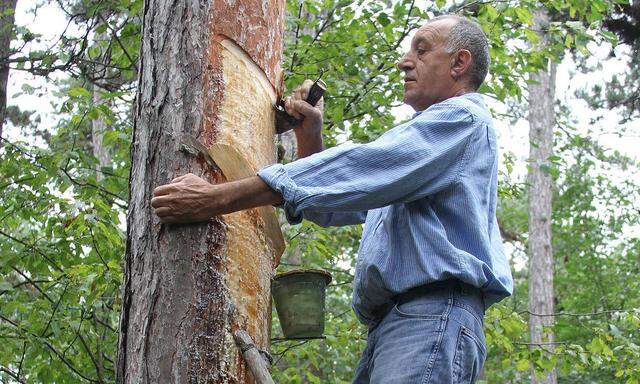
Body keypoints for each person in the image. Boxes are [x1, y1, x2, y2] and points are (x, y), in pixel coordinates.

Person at [151, 14, 513, 384]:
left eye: (421, 50)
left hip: (431, 317)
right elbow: (336, 200)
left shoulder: (462, 120)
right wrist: (310, 136)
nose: (404, 61)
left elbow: (357, 168)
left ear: (459, 62)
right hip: (402, 325)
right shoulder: (422, 165)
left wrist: (212, 199)